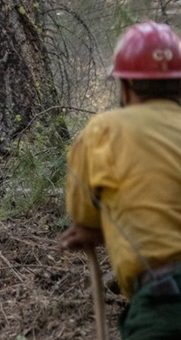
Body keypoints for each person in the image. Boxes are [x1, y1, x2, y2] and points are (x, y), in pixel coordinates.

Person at [59, 21, 181, 340]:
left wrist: (92, 230)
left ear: (125, 86)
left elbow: (83, 216)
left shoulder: (104, 131)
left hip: (165, 304)